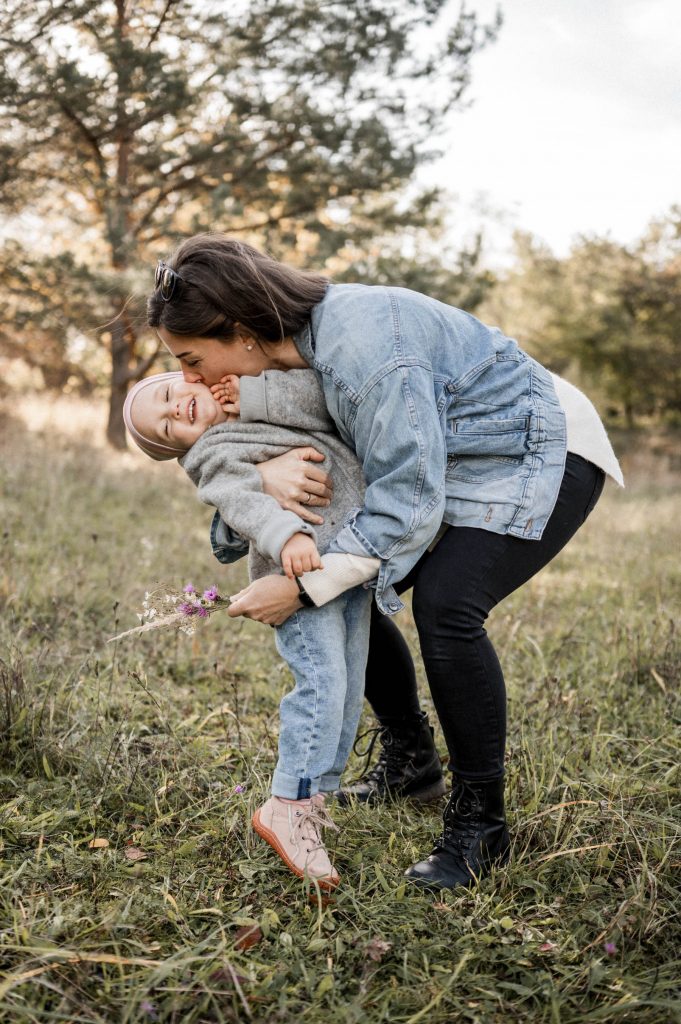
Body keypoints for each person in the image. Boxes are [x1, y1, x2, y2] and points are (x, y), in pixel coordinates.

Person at [146, 236, 624, 892]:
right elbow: (298, 451)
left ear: (240, 331)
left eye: (192, 360)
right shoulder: (285, 358)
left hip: (536, 441)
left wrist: (303, 588)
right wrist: (264, 476)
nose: (190, 381)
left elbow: (407, 502)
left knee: (446, 605)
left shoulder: (364, 346)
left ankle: (480, 825)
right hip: (451, 456)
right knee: (354, 582)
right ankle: (410, 763)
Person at [122, 366, 386, 891]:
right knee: (321, 682)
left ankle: (314, 795)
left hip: (342, 564)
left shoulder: (251, 396)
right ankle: (288, 803)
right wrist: (287, 535)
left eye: (170, 394)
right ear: (179, 449)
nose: (176, 409)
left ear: (188, 378)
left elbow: (319, 400)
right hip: (292, 574)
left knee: (349, 682)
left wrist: (254, 393)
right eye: (168, 426)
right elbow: (242, 500)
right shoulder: (211, 454)